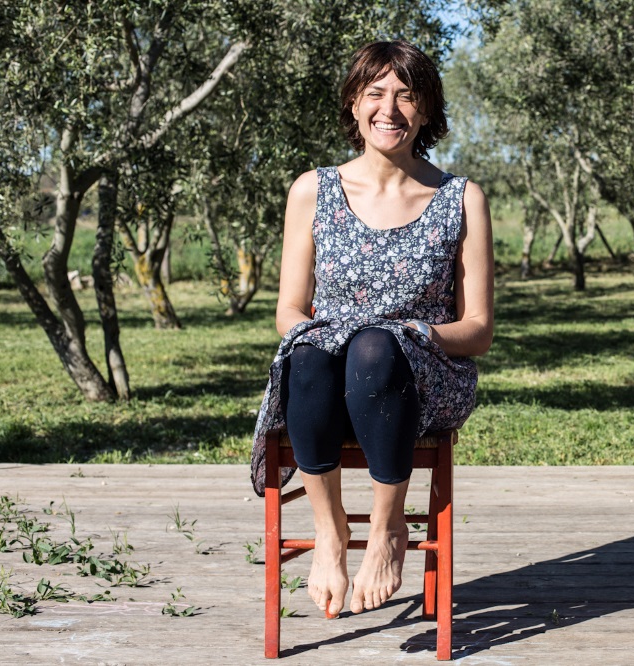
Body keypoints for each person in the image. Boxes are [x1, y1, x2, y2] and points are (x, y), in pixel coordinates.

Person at [249, 40, 493, 619]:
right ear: (354, 104)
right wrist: (322, 337)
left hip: (422, 377)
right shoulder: (313, 190)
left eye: (407, 96)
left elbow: (479, 329)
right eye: (376, 93)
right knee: (309, 355)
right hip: (327, 375)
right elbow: (289, 310)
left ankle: (386, 529)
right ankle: (330, 530)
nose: (390, 109)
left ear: (427, 110)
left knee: (376, 347)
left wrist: (419, 334)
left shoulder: (461, 198)